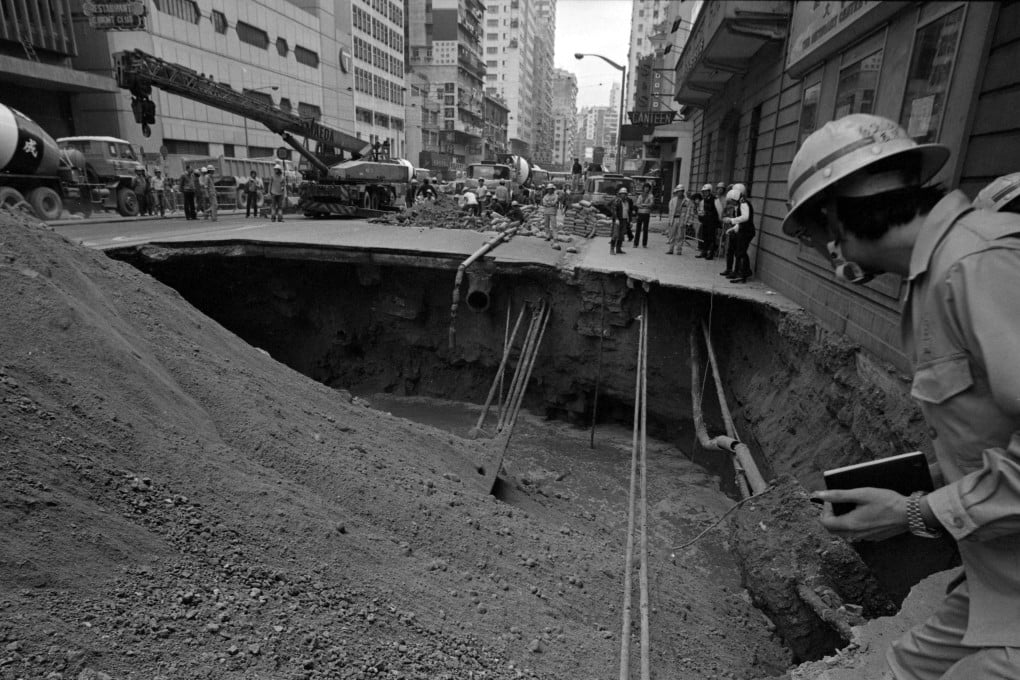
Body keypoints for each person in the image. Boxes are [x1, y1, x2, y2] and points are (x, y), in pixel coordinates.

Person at [786, 113, 1020, 680]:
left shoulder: (976, 266)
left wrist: (915, 511)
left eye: (813, 233)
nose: (820, 249)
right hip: (999, 578)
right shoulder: (935, 272)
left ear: (836, 214)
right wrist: (916, 496)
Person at [722, 183, 755, 282]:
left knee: (741, 252)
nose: (731, 203)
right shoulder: (739, 204)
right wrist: (733, 228)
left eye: (731, 201)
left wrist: (731, 220)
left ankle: (743, 273)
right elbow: (741, 221)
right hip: (743, 230)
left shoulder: (743, 203)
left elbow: (745, 217)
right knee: (740, 252)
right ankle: (743, 272)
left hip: (747, 232)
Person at [666, 185, 695, 255]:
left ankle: (679, 250)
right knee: (672, 234)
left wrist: (687, 221)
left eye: (681, 191)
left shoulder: (687, 201)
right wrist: (669, 221)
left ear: (683, 192)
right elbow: (670, 211)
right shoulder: (673, 200)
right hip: (674, 218)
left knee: (680, 235)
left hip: (682, 219)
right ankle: (671, 249)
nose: (679, 193)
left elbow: (689, 211)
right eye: (678, 191)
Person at [609, 186, 634, 255]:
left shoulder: (628, 201)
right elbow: (614, 210)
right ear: (620, 194)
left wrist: (630, 220)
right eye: (622, 194)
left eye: (625, 194)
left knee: (621, 235)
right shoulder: (617, 201)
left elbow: (629, 211)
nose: (624, 195)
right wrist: (616, 218)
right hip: (618, 220)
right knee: (615, 235)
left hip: (624, 220)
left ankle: (618, 249)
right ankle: (612, 249)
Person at [633, 182, 655, 247]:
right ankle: (635, 243)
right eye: (645, 188)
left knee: (645, 229)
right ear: (643, 188)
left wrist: (643, 205)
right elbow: (637, 204)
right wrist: (645, 205)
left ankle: (644, 244)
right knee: (638, 229)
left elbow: (651, 204)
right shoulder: (640, 195)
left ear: (649, 189)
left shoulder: (651, 196)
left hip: (646, 214)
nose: (646, 189)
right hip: (640, 213)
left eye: (647, 188)